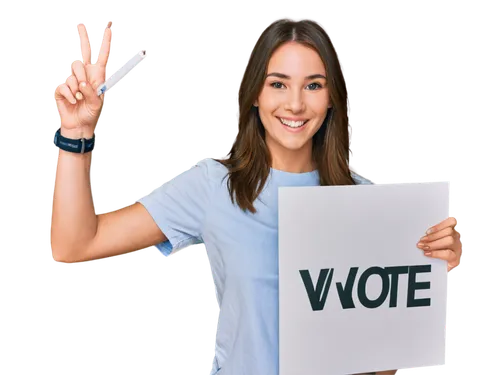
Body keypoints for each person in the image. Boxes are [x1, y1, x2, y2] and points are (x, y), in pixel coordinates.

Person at [50, 16, 464, 375]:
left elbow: (380, 364)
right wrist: (75, 134)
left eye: (314, 85)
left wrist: (426, 274)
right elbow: (74, 244)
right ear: (256, 95)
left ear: (332, 97)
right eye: (278, 84)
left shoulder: (373, 206)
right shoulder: (214, 187)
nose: (296, 104)